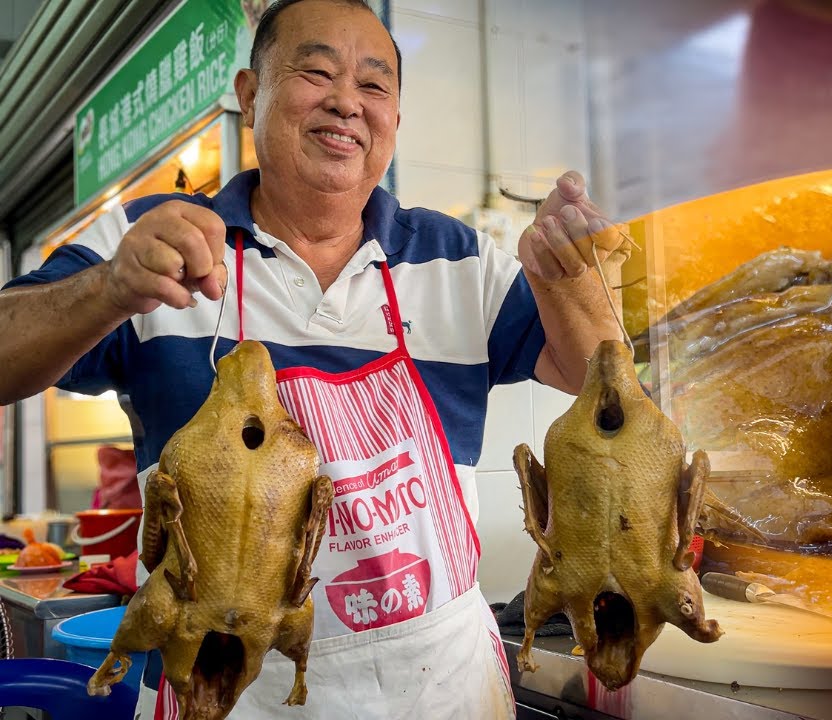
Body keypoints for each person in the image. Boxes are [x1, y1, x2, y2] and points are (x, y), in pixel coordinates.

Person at [0, 0, 627, 717]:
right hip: (228, 688)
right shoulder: (153, 240)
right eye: (316, 71)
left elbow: (597, 382)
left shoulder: (461, 261)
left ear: (396, 116)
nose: (345, 103)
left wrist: (572, 278)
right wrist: (108, 288)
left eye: (374, 85)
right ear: (248, 92)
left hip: (441, 690)